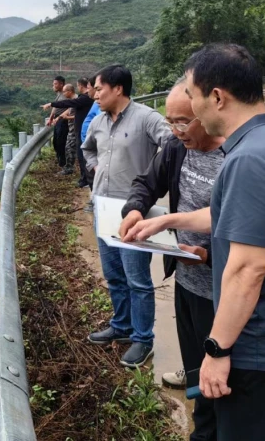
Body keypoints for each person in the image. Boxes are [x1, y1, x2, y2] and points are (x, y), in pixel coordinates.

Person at [123, 44, 265, 441]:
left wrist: (217, 350)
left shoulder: (247, 160)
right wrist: (168, 219)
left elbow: (247, 269)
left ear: (217, 97)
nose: (191, 106)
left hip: (262, 348)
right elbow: (232, 214)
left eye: (192, 95)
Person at [119, 78, 224, 441]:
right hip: (186, 280)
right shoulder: (178, 149)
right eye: (171, 121)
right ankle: (197, 394)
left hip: (223, 291)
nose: (177, 131)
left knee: (222, 376)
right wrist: (135, 209)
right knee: (196, 362)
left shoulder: (237, 157)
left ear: (207, 111)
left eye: (184, 121)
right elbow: (146, 183)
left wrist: (208, 256)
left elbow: (251, 234)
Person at [81, 64, 170, 367]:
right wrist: (95, 168)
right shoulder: (98, 121)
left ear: (118, 89)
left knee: (137, 279)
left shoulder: (146, 118)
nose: (94, 95)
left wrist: (154, 178)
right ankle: (121, 326)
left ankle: (143, 339)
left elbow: (172, 146)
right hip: (102, 208)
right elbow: (87, 149)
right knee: (114, 274)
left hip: (133, 212)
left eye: (99, 89)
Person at [46, 78, 95, 179]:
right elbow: (69, 108)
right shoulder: (81, 99)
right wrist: (58, 117)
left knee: (78, 152)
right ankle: (83, 177)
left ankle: (83, 177)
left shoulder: (83, 99)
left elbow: (68, 105)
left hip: (80, 130)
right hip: (77, 129)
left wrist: (51, 104)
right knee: (76, 151)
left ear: (80, 86)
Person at [41, 76, 68, 169]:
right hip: (57, 120)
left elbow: (70, 108)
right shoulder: (59, 94)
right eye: (53, 84)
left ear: (61, 84)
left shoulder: (66, 94)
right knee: (56, 142)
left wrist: (59, 117)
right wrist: (51, 118)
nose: (54, 86)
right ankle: (61, 162)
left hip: (63, 121)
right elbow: (55, 107)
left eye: (55, 84)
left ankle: (64, 164)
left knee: (61, 143)